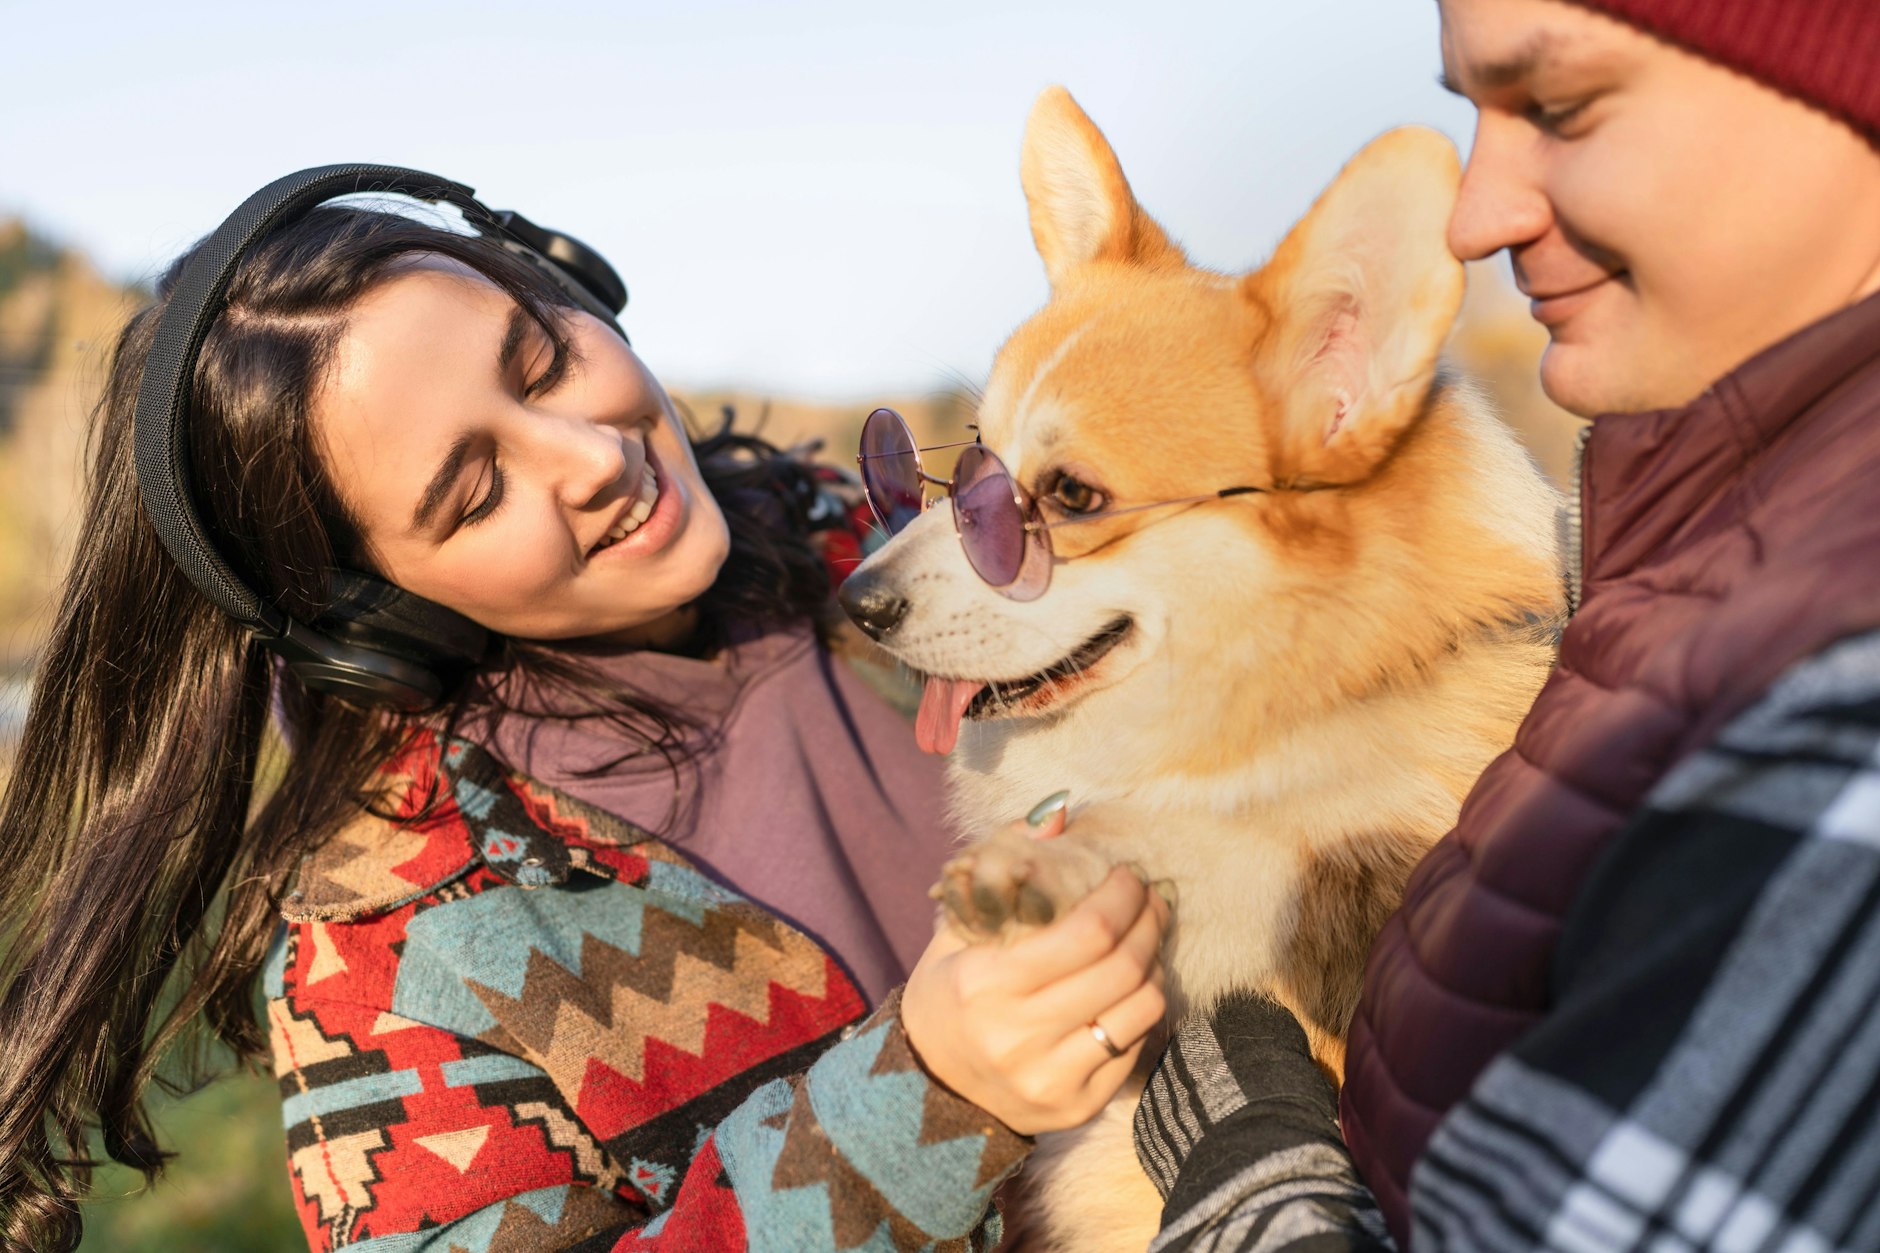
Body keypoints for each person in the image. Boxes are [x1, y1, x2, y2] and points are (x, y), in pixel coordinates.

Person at [0, 191, 1169, 1253]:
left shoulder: (858, 549)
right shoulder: (383, 972)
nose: (590, 455)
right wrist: (924, 1101)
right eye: (475, 491)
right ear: (378, 615)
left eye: (543, 360)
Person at [1132, 0, 1880, 1249]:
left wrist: (1234, 1108)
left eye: (1561, 106)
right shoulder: (1702, 554)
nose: (1474, 218)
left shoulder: (1835, 704)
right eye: (1471, 111)